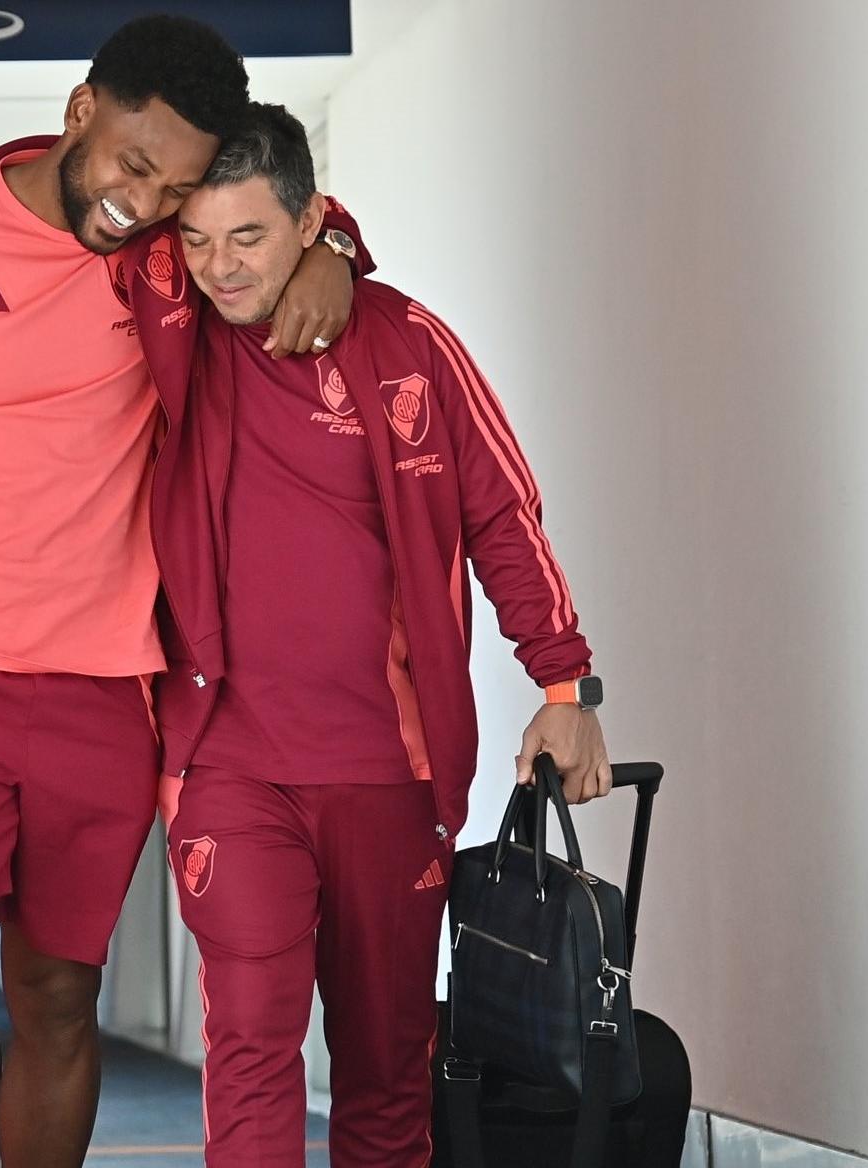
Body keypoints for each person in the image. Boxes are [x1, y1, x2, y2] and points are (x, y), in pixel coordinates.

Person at [0, 15, 369, 1166]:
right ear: (79, 114)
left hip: (104, 689)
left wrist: (333, 251)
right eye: (132, 166)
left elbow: (276, 212)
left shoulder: (162, 262)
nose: (143, 202)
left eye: (176, 187)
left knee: (57, 996)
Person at [153, 103, 615, 1166]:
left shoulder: (404, 342)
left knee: (384, 1067)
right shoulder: (174, 334)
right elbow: (90, 191)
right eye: (196, 239)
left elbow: (501, 514)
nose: (218, 269)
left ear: (306, 218)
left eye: (249, 237)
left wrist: (564, 688)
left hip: (389, 770)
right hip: (227, 764)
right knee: (251, 1048)